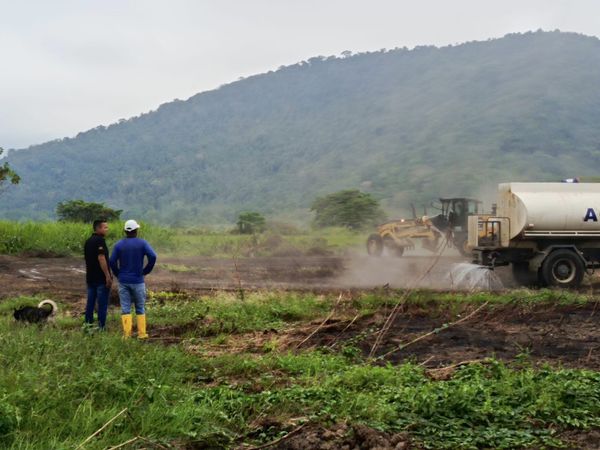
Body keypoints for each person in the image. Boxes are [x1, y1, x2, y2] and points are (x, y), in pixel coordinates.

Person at [109, 219, 157, 339]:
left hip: (123, 281)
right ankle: (142, 334)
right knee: (140, 307)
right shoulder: (142, 243)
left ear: (125, 231)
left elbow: (112, 261)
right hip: (138, 281)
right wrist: (146, 271)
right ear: (136, 230)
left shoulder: (119, 245)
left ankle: (127, 335)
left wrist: (118, 273)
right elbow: (153, 256)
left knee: (125, 308)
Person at [84, 219, 112, 330]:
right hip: (100, 279)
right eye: (105, 227)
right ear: (98, 228)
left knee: (90, 303)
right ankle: (101, 327)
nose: (107, 229)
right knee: (102, 304)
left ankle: (88, 326)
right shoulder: (100, 241)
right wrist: (107, 276)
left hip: (90, 278)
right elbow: (101, 258)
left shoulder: (88, 241)